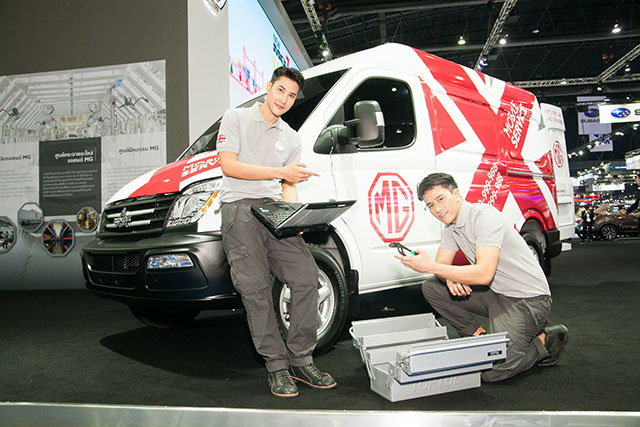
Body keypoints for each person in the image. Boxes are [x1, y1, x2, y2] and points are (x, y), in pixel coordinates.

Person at [216, 66, 336, 398]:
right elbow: (229, 165)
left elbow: (288, 187)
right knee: (255, 290)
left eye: (291, 95)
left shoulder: (292, 138)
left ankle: (301, 359)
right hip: (239, 209)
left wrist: (294, 219)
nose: (284, 99)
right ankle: (276, 366)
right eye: (280, 90)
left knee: (306, 276)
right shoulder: (236, 118)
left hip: (274, 211)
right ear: (268, 87)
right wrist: (280, 171)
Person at [395, 172, 569, 382]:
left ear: (456, 194)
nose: (437, 209)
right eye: (430, 205)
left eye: (441, 199)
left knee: (492, 372)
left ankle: (544, 340)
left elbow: (484, 274)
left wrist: (432, 266)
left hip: (528, 300)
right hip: (497, 294)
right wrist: (446, 275)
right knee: (432, 287)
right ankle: (478, 337)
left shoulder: (483, 217)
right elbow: (441, 266)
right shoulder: (451, 228)